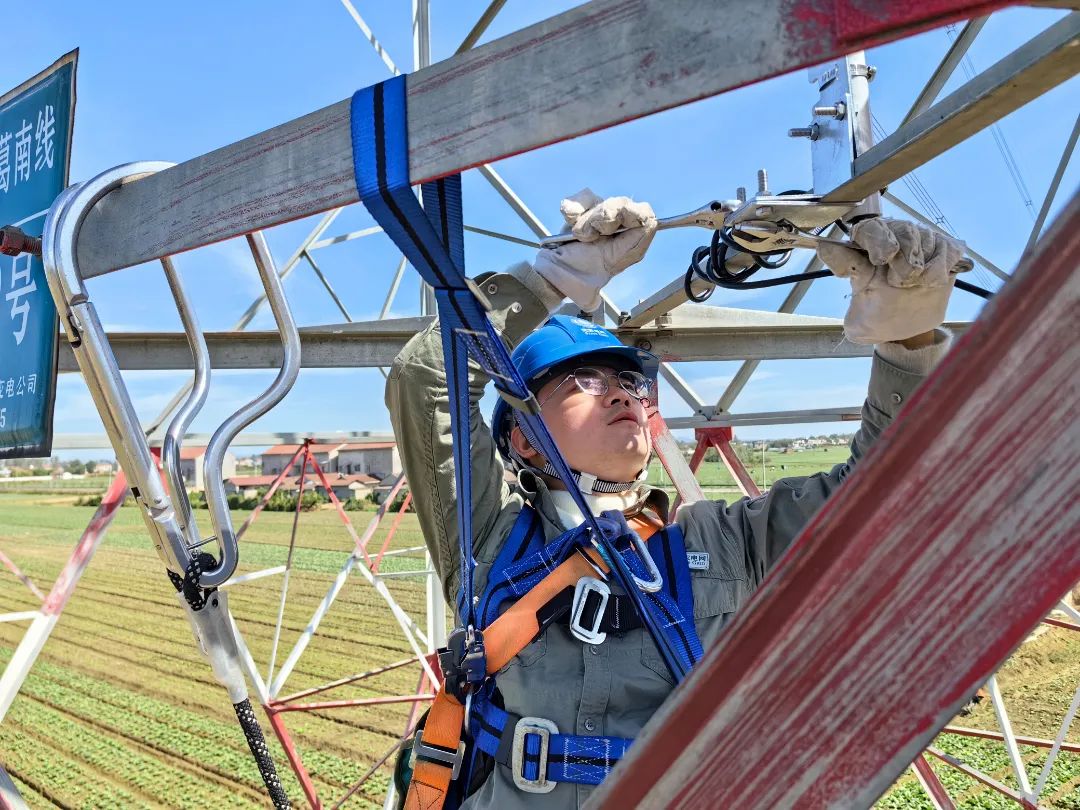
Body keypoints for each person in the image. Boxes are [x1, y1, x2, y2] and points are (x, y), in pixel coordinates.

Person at [385, 189, 967, 809]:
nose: (622, 394)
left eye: (629, 382)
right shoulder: (491, 540)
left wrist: (908, 342)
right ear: (524, 439)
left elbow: (887, 488)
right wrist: (554, 277)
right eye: (584, 381)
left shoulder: (726, 540)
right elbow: (428, 381)